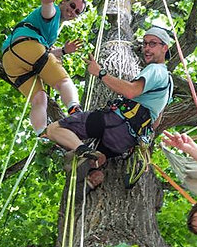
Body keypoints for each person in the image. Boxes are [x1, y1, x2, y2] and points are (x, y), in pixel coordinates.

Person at [46, 26, 174, 189]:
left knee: (54, 129)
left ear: (165, 48)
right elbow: (155, 123)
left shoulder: (156, 70)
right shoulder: (169, 85)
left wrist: (100, 73)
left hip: (115, 121)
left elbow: (130, 91)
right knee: (100, 157)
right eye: (145, 43)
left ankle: (83, 151)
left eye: (152, 44)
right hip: (126, 140)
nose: (146, 48)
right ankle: (94, 176)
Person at [2, 0, 86, 135]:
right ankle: (75, 109)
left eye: (77, 12)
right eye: (72, 5)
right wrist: (47, 3)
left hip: (10, 60)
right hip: (27, 46)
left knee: (39, 99)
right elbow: (48, 12)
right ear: (63, 1)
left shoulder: (52, 29)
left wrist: (64, 51)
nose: (73, 11)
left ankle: (42, 133)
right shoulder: (55, 12)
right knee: (63, 81)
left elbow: (42, 57)